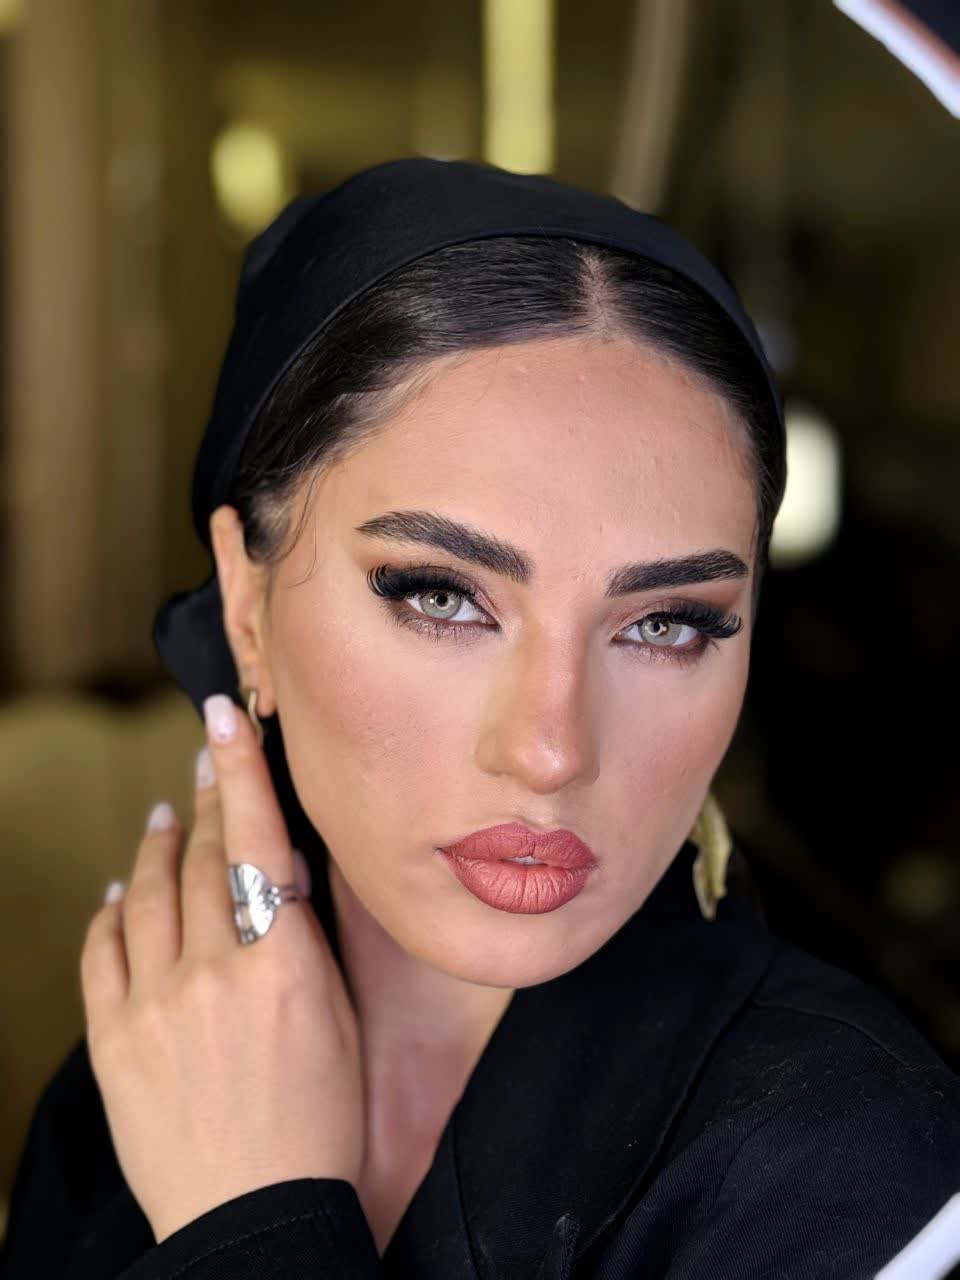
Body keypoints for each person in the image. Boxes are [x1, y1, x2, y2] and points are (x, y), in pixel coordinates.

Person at [3, 157, 958, 1280]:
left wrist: (257, 1224)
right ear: (246, 604)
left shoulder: (864, 1174)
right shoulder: (149, 1064)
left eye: (664, 624)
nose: (550, 750)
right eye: (442, 597)